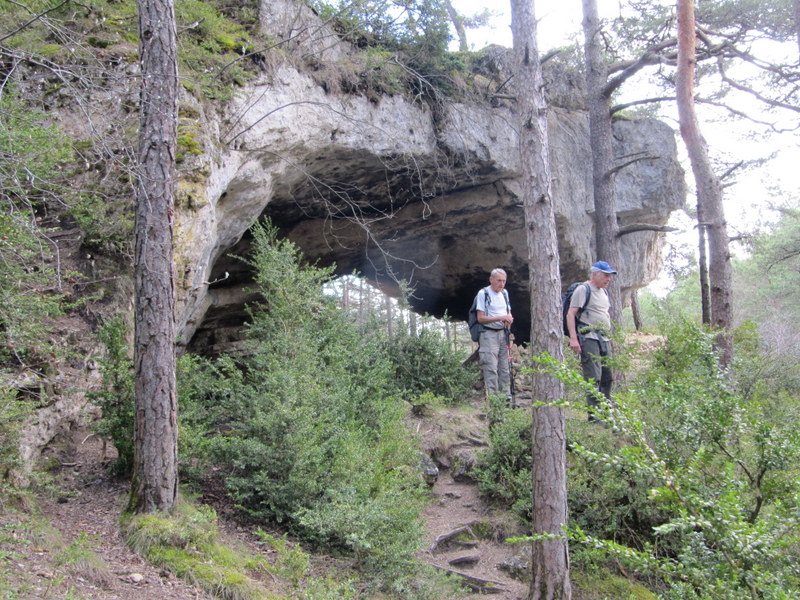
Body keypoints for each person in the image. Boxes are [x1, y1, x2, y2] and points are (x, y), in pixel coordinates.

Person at [566, 261, 616, 421]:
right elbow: (570, 314)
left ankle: (606, 412)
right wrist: (573, 338)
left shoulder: (604, 292)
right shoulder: (583, 289)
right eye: (606, 275)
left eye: (609, 276)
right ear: (595, 274)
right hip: (589, 338)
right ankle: (595, 417)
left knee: (607, 376)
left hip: (605, 339)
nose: (608, 279)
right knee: (594, 376)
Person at [475, 268, 514, 403]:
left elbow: (508, 312)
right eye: (499, 281)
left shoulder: (505, 293)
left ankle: (506, 398)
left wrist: (509, 319)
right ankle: (493, 400)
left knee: (505, 367)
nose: (501, 284)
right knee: (491, 367)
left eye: (504, 281)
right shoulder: (483, 293)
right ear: (491, 280)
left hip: (503, 333)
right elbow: (480, 318)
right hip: (488, 334)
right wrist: (501, 318)